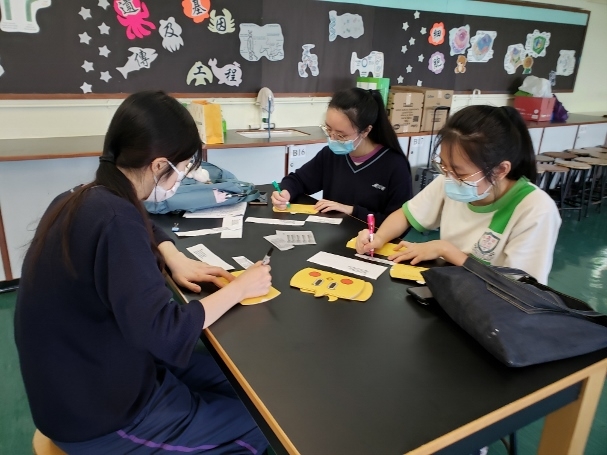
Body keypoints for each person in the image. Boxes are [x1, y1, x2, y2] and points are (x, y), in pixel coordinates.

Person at [14, 91, 271, 454]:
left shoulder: (83, 196)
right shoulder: (116, 220)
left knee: (254, 391)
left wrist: (172, 255)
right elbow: (166, 332)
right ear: (159, 164)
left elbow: (143, 225)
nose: (183, 177)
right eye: (183, 167)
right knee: (264, 425)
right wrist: (239, 289)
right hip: (100, 415)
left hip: (93, 373)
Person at [356, 105, 561, 284]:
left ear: (500, 170)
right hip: (452, 288)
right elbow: (406, 215)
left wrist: (445, 250)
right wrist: (378, 238)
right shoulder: (450, 181)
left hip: (494, 305)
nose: (450, 177)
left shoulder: (536, 209)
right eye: (444, 167)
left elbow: (519, 288)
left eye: (460, 173)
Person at [271, 87, 413, 226]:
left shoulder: (394, 166)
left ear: (365, 131)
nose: (332, 139)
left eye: (341, 135)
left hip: (370, 239)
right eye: (328, 129)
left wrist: (351, 210)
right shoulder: (330, 155)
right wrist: (286, 193)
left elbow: (400, 223)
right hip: (332, 235)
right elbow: (298, 180)